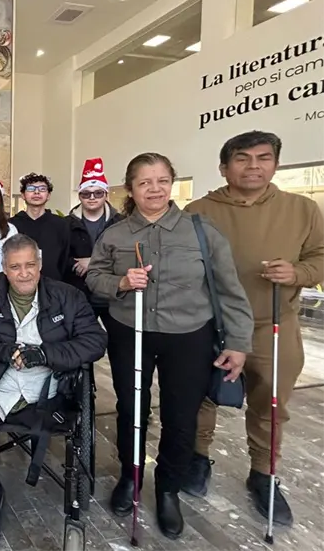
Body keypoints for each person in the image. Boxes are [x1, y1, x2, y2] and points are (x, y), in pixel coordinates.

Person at [86, 152, 254, 540]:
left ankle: (167, 489)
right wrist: (122, 283)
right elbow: (94, 277)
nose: (154, 189)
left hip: (189, 334)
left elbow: (230, 290)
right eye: (145, 182)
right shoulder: (115, 234)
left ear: (172, 183)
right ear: (131, 189)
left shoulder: (201, 230)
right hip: (131, 330)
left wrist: (240, 343)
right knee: (131, 408)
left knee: (181, 415)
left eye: (162, 180)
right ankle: (130, 476)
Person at [182, 131, 324, 526]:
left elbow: (320, 257)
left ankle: (263, 473)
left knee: (271, 404)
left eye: (264, 158)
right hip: (211, 325)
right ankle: (197, 458)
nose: (254, 166)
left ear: (276, 164)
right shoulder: (198, 211)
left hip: (273, 324)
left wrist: (299, 272)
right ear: (224, 167)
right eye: (243, 159)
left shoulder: (301, 209)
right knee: (201, 398)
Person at [0, 234, 107, 544]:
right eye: (16, 267)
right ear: (4, 269)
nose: (24, 273)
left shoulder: (68, 296)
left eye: (30, 265)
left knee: (64, 421)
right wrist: (0, 349)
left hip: (49, 393)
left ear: (40, 265)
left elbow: (95, 341)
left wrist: (46, 354)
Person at [66, 158, 123, 320]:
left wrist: (92, 262)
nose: (92, 197)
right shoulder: (66, 225)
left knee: (117, 343)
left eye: (98, 193)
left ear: (106, 194)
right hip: (78, 295)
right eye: (86, 193)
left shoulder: (121, 223)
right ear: (79, 196)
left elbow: (125, 257)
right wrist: (74, 264)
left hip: (111, 296)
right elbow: (61, 257)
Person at [10, 173, 70, 281]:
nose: (36, 192)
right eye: (31, 189)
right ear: (23, 195)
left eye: (42, 189)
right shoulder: (11, 225)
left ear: (48, 195)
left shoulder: (61, 224)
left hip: (54, 286)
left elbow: (64, 259)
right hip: (20, 284)